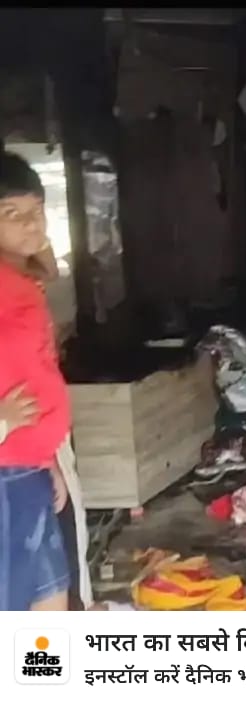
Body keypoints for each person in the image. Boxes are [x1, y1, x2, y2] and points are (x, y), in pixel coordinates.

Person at [0, 150, 72, 611]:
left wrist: (48, 459)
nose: (31, 223)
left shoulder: (22, 282)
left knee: (49, 604)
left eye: (37, 210)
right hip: (4, 475)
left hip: (29, 468)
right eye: (13, 214)